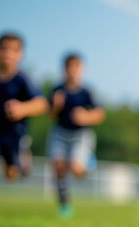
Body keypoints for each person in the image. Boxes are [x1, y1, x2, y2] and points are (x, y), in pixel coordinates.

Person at [0, 32, 48, 220]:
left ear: (20, 54)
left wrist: (23, 108)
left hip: (14, 133)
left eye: (13, 50)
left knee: (11, 174)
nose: (8, 54)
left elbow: (42, 104)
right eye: (4, 49)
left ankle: (20, 161)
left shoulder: (23, 79)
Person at [47, 53, 105, 218]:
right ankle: (64, 205)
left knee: (76, 169)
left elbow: (99, 114)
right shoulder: (57, 90)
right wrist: (56, 107)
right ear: (64, 69)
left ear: (81, 69)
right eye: (69, 67)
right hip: (59, 132)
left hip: (80, 134)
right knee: (58, 166)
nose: (72, 70)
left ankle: (88, 162)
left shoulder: (86, 91)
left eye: (76, 67)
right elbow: (49, 114)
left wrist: (85, 116)